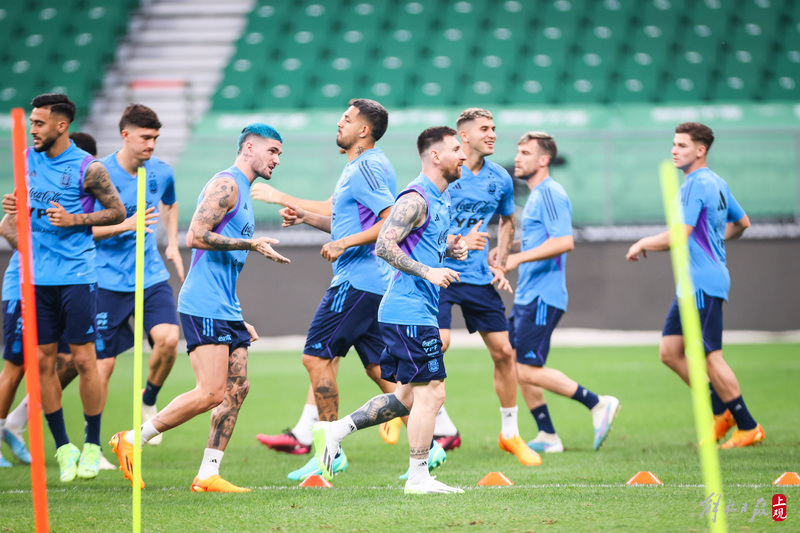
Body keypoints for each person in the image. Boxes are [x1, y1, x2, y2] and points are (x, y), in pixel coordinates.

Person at [267, 99, 449, 482]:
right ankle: (429, 443)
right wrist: (306, 217)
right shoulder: (363, 164)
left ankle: (327, 451)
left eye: (347, 119)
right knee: (384, 373)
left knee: (316, 358)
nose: (339, 123)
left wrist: (345, 243)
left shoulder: (366, 165)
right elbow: (350, 222)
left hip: (358, 281)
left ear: (363, 130)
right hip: (372, 284)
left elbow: (387, 224)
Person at [110, 123, 289, 492]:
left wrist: (238, 316)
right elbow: (195, 236)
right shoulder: (227, 184)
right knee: (211, 392)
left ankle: (208, 474)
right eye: (272, 151)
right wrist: (249, 245)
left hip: (224, 305)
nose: (276, 159)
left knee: (238, 388)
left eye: (280, 154)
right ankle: (132, 438)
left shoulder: (245, 191)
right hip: (203, 303)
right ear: (249, 147)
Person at [312, 126, 469, 494]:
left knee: (407, 397)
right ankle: (418, 477)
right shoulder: (415, 197)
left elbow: (421, 242)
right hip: (407, 311)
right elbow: (384, 244)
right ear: (435, 156)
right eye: (456, 149)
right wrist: (429, 270)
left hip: (415, 311)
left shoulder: (441, 198)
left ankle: (335, 430)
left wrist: (449, 250)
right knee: (433, 393)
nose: (463, 155)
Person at [1, 94, 126, 482]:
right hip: (35, 280)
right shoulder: (26, 160)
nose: (33, 129)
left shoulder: (89, 169)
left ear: (61, 125)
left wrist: (74, 219)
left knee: (85, 360)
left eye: (39, 123)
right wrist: (15, 212)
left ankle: (91, 444)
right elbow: (14, 221)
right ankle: (62, 446)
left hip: (76, 276)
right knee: (40, 362)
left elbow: (117, 212)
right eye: (32, 122)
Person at [626, 122, 762, 448]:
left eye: (682, 145)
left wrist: (643, 242)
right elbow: (742, 224)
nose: (674, 150)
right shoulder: (717, 183)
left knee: (709, 355)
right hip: (692, 284)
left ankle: (747, 425)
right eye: (673, 144)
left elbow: (679, 235)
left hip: (702, 282)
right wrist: (716, 242)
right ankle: (720, 413)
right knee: (670, 352)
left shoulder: (693, 186)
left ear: (700, 150)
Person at [429, 108, 539, 466]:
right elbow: (423, 223)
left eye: (494, 129)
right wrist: (457, 240)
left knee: (505, 352)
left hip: (477, 278)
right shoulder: (444, 174)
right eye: (484, 130)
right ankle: (431, 428)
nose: (492, 135)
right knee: (438, 345)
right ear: (464, 136)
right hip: (440, 274)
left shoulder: (500, 178)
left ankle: (510, 433)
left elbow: (508, 220)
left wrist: (500, 260)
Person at [501, 131, 620, 453]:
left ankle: (597, 403)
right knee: (515, 364)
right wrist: (502, 249)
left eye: (525, 152)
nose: (517, 157)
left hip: (543, 297)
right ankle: (547, 435)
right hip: (528, 295)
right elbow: (539, 241)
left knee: (527, 368)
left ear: (543, 160)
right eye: (518, 151)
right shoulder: (537, 195)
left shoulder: (551, 193)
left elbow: (564, 241)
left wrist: (516, 257)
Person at [93, 105, 184, 448]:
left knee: (169, 340)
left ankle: (149, 398)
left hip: (150, 276)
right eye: (145, 137)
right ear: (125, 135)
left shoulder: (161, 172)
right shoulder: (99, 174)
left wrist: (172, 243)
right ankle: (93, 445)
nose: (151, 144)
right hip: (106, 281)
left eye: (156, 138)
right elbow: (82, 231)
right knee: (101, 369)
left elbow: (171, 204)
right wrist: (124, 225)